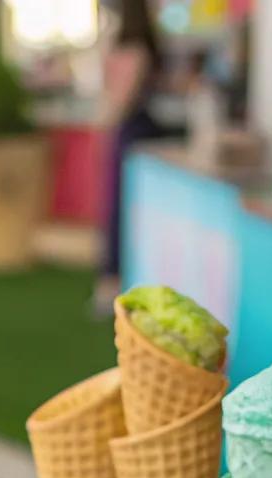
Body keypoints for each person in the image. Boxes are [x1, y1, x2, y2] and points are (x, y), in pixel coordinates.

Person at [95, 0, 164, 313]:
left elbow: (116, 98)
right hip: (135, 131)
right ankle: (115, 280)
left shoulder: (125, 49)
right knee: (123, 208)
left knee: (120, 208)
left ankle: (113, 281)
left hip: (129, 133)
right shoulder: (139, 50)